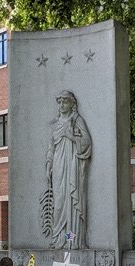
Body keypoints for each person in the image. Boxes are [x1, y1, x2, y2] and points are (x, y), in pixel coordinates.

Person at [44, 90, 92, 249]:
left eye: (65, 102)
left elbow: (86, 143)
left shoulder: (77, 120)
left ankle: (70, 239)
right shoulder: (55, 124)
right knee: (59, 203)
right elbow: (51, 146)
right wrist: (49, 163)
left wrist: (71, 137)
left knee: (71, 202)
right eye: (60, 102)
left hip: (72, 165)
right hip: (58, 164)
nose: (62, 105)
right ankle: (59, 239)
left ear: (72, 104)